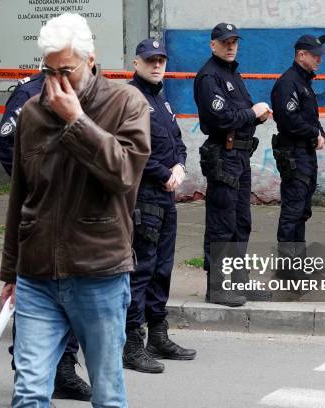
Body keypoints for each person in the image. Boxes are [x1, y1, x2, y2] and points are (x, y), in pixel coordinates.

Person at [0, 13, 150, 408]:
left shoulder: (126, 102)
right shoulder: (32, 111)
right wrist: (10, 272)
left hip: (98, 270)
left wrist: (77, 121)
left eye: (66, 69)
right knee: (29, 390)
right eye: (48, 71)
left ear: (91, 58)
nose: (56, 81)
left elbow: (124, 174)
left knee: (106, 390)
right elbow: (20, 194)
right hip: (36, 275)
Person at [0, 73, 92, 402]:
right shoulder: (28, 94)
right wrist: (34, 188)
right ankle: (28, 373)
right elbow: (9, 145)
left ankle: (64, 369)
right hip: (37, 216)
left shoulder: (86, 93)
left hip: (75, 216)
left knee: (71, 289)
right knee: (34, 292)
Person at [122, 39, 196, 374]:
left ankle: (158, 335)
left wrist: (180, 166)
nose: (156, 66)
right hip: (143, 196)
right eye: (150, 60)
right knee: (142, 270)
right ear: (135, 63)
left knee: (162, 268)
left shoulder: (161, 99)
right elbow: (130, 149)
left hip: (165, 196)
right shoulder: (129, 98)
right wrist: (163, 172)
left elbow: (177, 141)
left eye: (161, 60)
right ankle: (132, 344)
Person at [194, 22, 272, 307]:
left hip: (240, 156)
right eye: (225, 42)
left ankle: (240, 281)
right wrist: (252, 113)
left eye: (234, 42)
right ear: (213, 45)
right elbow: (222, 118)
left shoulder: (232, 74)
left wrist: (255, 116)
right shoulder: (209, 77)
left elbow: (239, 112)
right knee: (221, 222)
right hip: (223, 155)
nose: (230, 46)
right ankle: (216, 286)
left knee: (241, 221)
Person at [270, 35, 325, 274]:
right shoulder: (289, 82)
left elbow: (310, 116)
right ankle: (286, 267)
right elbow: (289, 120)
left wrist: (318, 130)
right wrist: (314, 132)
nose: (319, 59)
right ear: (300, 54)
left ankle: (298, 261)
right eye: (315, 54)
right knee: (293, 210)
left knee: (302, 209)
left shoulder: (303, 82)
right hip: (294, 152)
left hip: (304, 152)